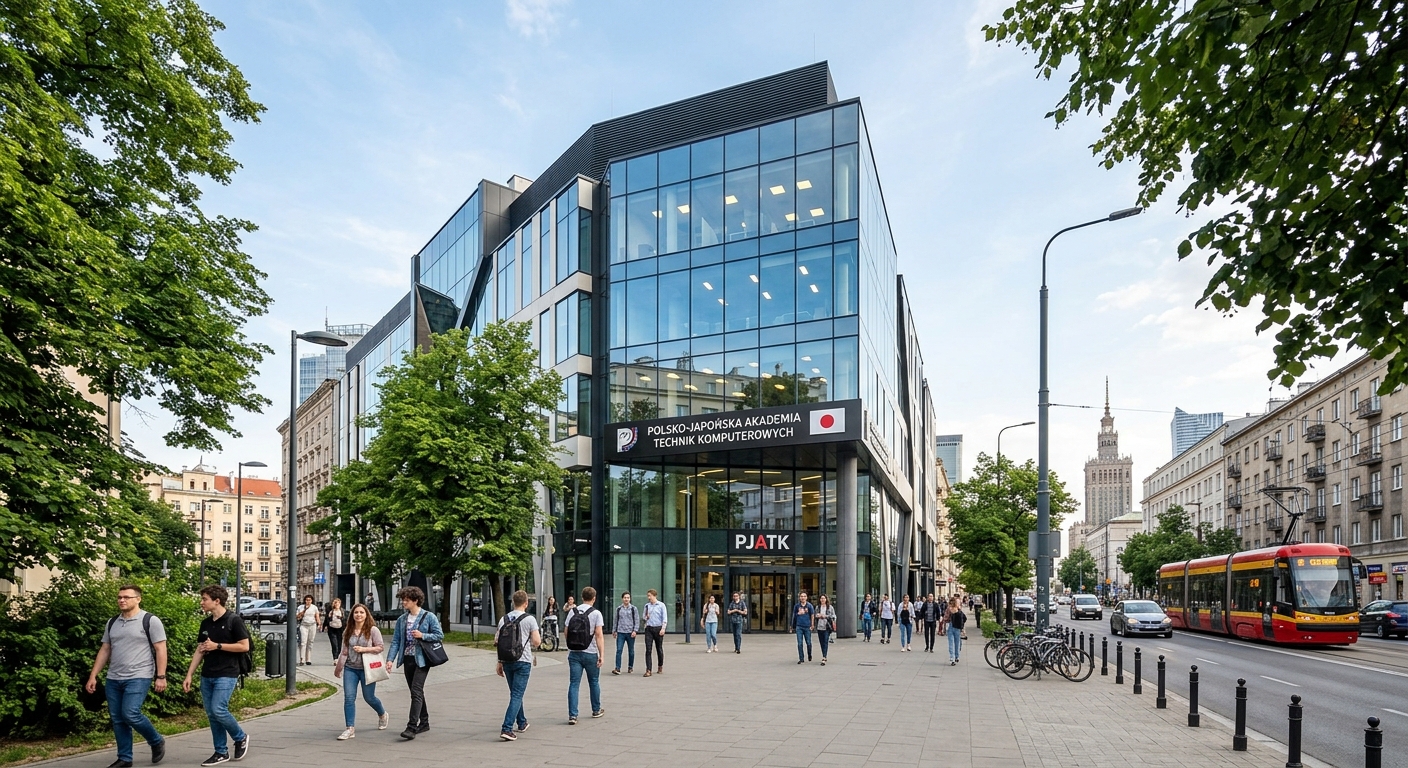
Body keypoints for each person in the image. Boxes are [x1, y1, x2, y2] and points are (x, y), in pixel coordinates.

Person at [87, 584, 168, 768]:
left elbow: (160, 648)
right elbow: (105, 649)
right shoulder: (113, 622)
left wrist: (161, 676)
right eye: (119, 597)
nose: (121, 600)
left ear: (138, 599)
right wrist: (93, 675)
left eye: (126, 597)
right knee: (117, 718)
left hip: (139, 675)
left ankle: (156, 741)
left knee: (130, 713)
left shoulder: (150, 620)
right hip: (114, 677)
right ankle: (125, 758)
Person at [182, 585, 250, 767]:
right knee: (212, 714)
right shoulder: (206, 624)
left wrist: (218, 646)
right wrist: (189, 674)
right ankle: (221, 751)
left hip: (227, 672)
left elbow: (244, 646)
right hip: (207, 674)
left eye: (204, 599)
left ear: (216, 601)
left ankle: (240, 737)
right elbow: (200, 649)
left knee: (218, 709)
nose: (201, 602)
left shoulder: (233, 620)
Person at [386, 586, 443, 740]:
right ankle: (424, 722)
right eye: (402, 599)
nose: (403, 602)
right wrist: (390, 660)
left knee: (416, 691)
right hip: (408, 659)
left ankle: (411, 727)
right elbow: (396, 641)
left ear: (415, 601)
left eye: (406, 600)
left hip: (422, 660)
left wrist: (422, 635)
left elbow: (439, 635)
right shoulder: (402, 619)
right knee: (415, 691)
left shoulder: (429, 617)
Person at [333, 603, 388, 739]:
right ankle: (350, 728)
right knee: (349, 698)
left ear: (366, 615)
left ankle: (382, 714)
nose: (358, 615)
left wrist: (364, 649)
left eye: (361, 612)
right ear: (352, 615)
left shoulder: (372, 630)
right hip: (350, 668)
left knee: (369, 697)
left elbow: (380, 647)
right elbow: (344, 652)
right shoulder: (348, 630)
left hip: (367, 668)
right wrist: (338, 668)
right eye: (356, 612)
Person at [495, 590, 541, 741]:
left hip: (507, 660)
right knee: (517, 694)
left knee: (515, 693)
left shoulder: (504, 619)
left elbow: (498, 641)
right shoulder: (529, 619)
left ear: (513, 602)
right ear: (526, 603)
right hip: (523, 660)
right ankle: (507, 728)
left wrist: (499, 662)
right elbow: (536, 641)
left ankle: (522, 722)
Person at [565, 586, 605, 724]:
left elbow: (566, 631)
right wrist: (602, 655)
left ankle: (573, 715)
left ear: (582, 597)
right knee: (593, 681)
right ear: (594, 598)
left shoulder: (572, 612)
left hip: (574, 653)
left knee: (574, 683)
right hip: (590, 652)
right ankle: (596, 709)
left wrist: (572, 644)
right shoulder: (596, 614)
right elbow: (599, 635)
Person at [641, 589, 668, 677]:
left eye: (650, 596)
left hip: (658, 628)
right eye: (648, 596)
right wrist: (646, 617)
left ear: (654, 595)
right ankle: (648, 669)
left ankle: (660, 665)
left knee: (658, 648)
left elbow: (664, 618)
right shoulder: (647, 606)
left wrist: (663, 629)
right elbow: (643, 617)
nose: (649, 598)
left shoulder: (661, 605)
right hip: (649, 628)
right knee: (648, 649)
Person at [611, 592, 638, 675]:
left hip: (630, 632)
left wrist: (635, 630)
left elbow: (636, 620)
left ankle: (630, 667)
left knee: (631, 651)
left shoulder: (633, 609)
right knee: (619, 650)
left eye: (628, 597)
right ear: (622, 599)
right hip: (621, 632)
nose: (626, 599)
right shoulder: (619, 609)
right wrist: (614, 631)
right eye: (625, 597)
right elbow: (616, 620)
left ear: (630, 599)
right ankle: (617, 668)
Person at [791, 591, 815, 664]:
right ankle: (801, 658)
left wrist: (812, 625)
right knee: (800, 643)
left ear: (806, 597)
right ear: (799, 598)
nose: (803, 598)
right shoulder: (797, 606)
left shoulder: (809, 606)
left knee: (808, 643)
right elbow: (794, 616)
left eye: (804, 596)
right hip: (799, 626)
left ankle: (809, 655)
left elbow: (812, 615)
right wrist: (792, 626)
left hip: (807, 626)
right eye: (801, 596)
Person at [295, 596, 319, 666]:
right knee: (303, 642)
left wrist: (319, 624)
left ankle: (308, 659)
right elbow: (297, 616)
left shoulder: (314, 607)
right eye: (306, 600)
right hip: (303, 625)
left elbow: (317, 616)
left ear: (312, 601)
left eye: (309, 600)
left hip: (312, 625)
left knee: (310, 641)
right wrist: (304, 610)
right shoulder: (301, 607)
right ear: (304, 600)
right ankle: (302, 659)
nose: (308, 601)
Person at [814, 594, 837, 666]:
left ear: (826, 599)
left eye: (824, 598)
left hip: (827, 627)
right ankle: (824, 654)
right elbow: (814, 615)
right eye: (821, 598)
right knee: (821, 642)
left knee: (825, 641)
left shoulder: (830, 607)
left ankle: (824, 657)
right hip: (819, 627)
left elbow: (834, 616)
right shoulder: (817, 607)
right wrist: (817, 615)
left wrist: (825, 616)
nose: (822, 600)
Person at [946, 597, 967, 665]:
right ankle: (955, 657)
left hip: (952, 627)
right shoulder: (958, 610)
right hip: (957, 628)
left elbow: (945, 618)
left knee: (952, 643)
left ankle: (953, 657)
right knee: (956, 643)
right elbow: (964, 618)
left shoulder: (949, 609)